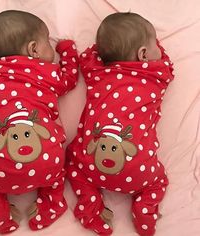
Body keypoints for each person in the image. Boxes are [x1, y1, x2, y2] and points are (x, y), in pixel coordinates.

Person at [66, 12, 174, 236]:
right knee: (158, 181)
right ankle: (144, 207)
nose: (159, 48)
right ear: (143, 54)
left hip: (91, 163)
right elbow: (168, 65)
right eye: (155, 44)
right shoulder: (156, 78)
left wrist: (108, 47)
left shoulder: (96, 73)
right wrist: (155, 51)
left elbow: (86, 57)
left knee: (72, 160)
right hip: (139, 171)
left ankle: (90, 204)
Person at [0, 10, 79, 234]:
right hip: (47, 161)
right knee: (57, 175)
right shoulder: (47, 73)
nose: (52, 49)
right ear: (34, 49)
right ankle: (51, 205)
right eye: (48, 43)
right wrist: (67, 50)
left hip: (0, 167)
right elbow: (70, 79)